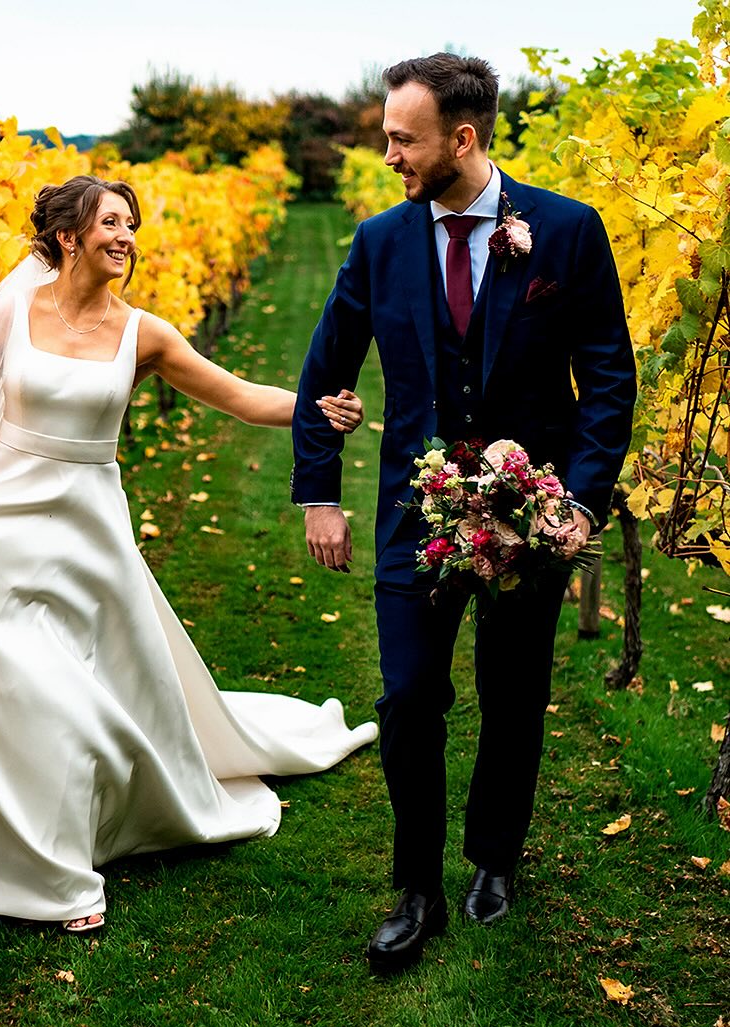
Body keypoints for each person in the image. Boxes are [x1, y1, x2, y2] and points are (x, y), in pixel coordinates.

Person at [0, 175, 378, 934]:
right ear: (68, 236)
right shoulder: (11, 314)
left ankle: (60, 850)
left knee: (67, 695)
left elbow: (237, 395)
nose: (126, 237)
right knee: (17, 683)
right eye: (111, 223)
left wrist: (314, 406)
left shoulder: (143, 332)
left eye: (131, 225)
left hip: (85, 529)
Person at [291, 55, 635, 972]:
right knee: (408, 696)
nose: (389, 154)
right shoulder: (378, 242)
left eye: (404, 138)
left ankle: (494, 859)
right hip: (418, 514)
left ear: (464, 139)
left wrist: (582, 501)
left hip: (534, 509)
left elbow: (607, 376)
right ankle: (418, 889)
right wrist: (320, 492)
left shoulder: (565, 231)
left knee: (514, 695)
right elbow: (324, 372)